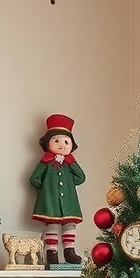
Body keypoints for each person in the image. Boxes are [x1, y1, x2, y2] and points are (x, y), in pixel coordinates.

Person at [29, 113, 86, 266]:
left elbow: (81, 178)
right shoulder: (46, 162)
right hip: (51, 202)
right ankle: (51, 253)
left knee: (69, 225)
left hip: (68, 203)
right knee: (52, 226)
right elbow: (34, 179)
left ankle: (70, 252)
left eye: (66, 142)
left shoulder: (69, 165)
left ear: (71, 145)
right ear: (49, 143)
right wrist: (46, 189)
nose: (62, 145)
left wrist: (72, 163)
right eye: (57, 141)